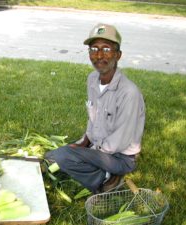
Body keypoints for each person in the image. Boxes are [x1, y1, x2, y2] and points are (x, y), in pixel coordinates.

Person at [45, 23, 145, 194]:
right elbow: (94, 119)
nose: (99, 55)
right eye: (94, 49)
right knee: (51, 156)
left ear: (118, 55)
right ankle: (96, 169)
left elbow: (118, 142)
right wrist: (84, 141)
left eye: (106, 49)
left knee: (63, 156)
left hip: (120, 157)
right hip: (99, 145)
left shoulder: (129, 93)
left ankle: (106, 178)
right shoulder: (92, 79)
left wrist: (87, 151)